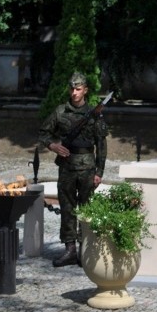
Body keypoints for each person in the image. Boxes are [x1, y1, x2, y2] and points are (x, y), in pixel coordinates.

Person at [38, 72, 108, 267]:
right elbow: (44, 133)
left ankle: (85, 248)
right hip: (67, 166)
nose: (74, 92)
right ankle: (69, 250)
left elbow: (102, 145)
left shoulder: (95, 114)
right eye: (72, 89)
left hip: (87, 168)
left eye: (78, 89)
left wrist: (99, 172)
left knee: (87, 209)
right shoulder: (60, 112)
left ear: (85, 90)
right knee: (67, 208)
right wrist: (53, 146)